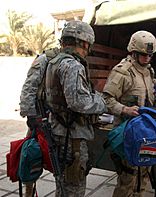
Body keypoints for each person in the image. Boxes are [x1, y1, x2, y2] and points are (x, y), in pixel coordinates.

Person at [45, 20, 107, 196]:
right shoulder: (72, 65)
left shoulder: (54, 62)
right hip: (72, 138)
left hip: (59, 131)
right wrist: (102, 103)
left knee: (63, 186)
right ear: (85, 43)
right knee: (74, 188)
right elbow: (79, 102)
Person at [102, 30, 156, 197]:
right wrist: (124, 109)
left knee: (143, 174)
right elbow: (106, 99)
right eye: (143, 55)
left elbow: (149, 85)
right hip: (127, 132)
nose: (146, 58)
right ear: (133, 52)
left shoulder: (148, 70)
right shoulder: (123, 71)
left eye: (149, 56)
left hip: (145, 132)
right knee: (127, 178)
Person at [19, 47, 60, 197]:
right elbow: (29, 87)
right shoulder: (45, 59)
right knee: (30, 157)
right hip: (39, 117)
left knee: (58, 164)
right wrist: (30, 116)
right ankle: (28, 192)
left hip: (57, 120)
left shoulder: (70, 60)